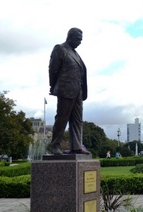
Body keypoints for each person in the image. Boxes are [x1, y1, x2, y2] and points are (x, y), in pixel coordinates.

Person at [49, 27, 90, 155]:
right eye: (78, 39)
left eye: (81, 40)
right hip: (65, 90)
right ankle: (55, 146)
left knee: (77, 120)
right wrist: (53, 86)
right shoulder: (60, 49)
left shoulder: (75, 53)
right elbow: (53, 69)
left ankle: (77, 146)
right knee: (62, 118)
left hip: (78, 91)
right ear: (70, 37)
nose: (80, 42)